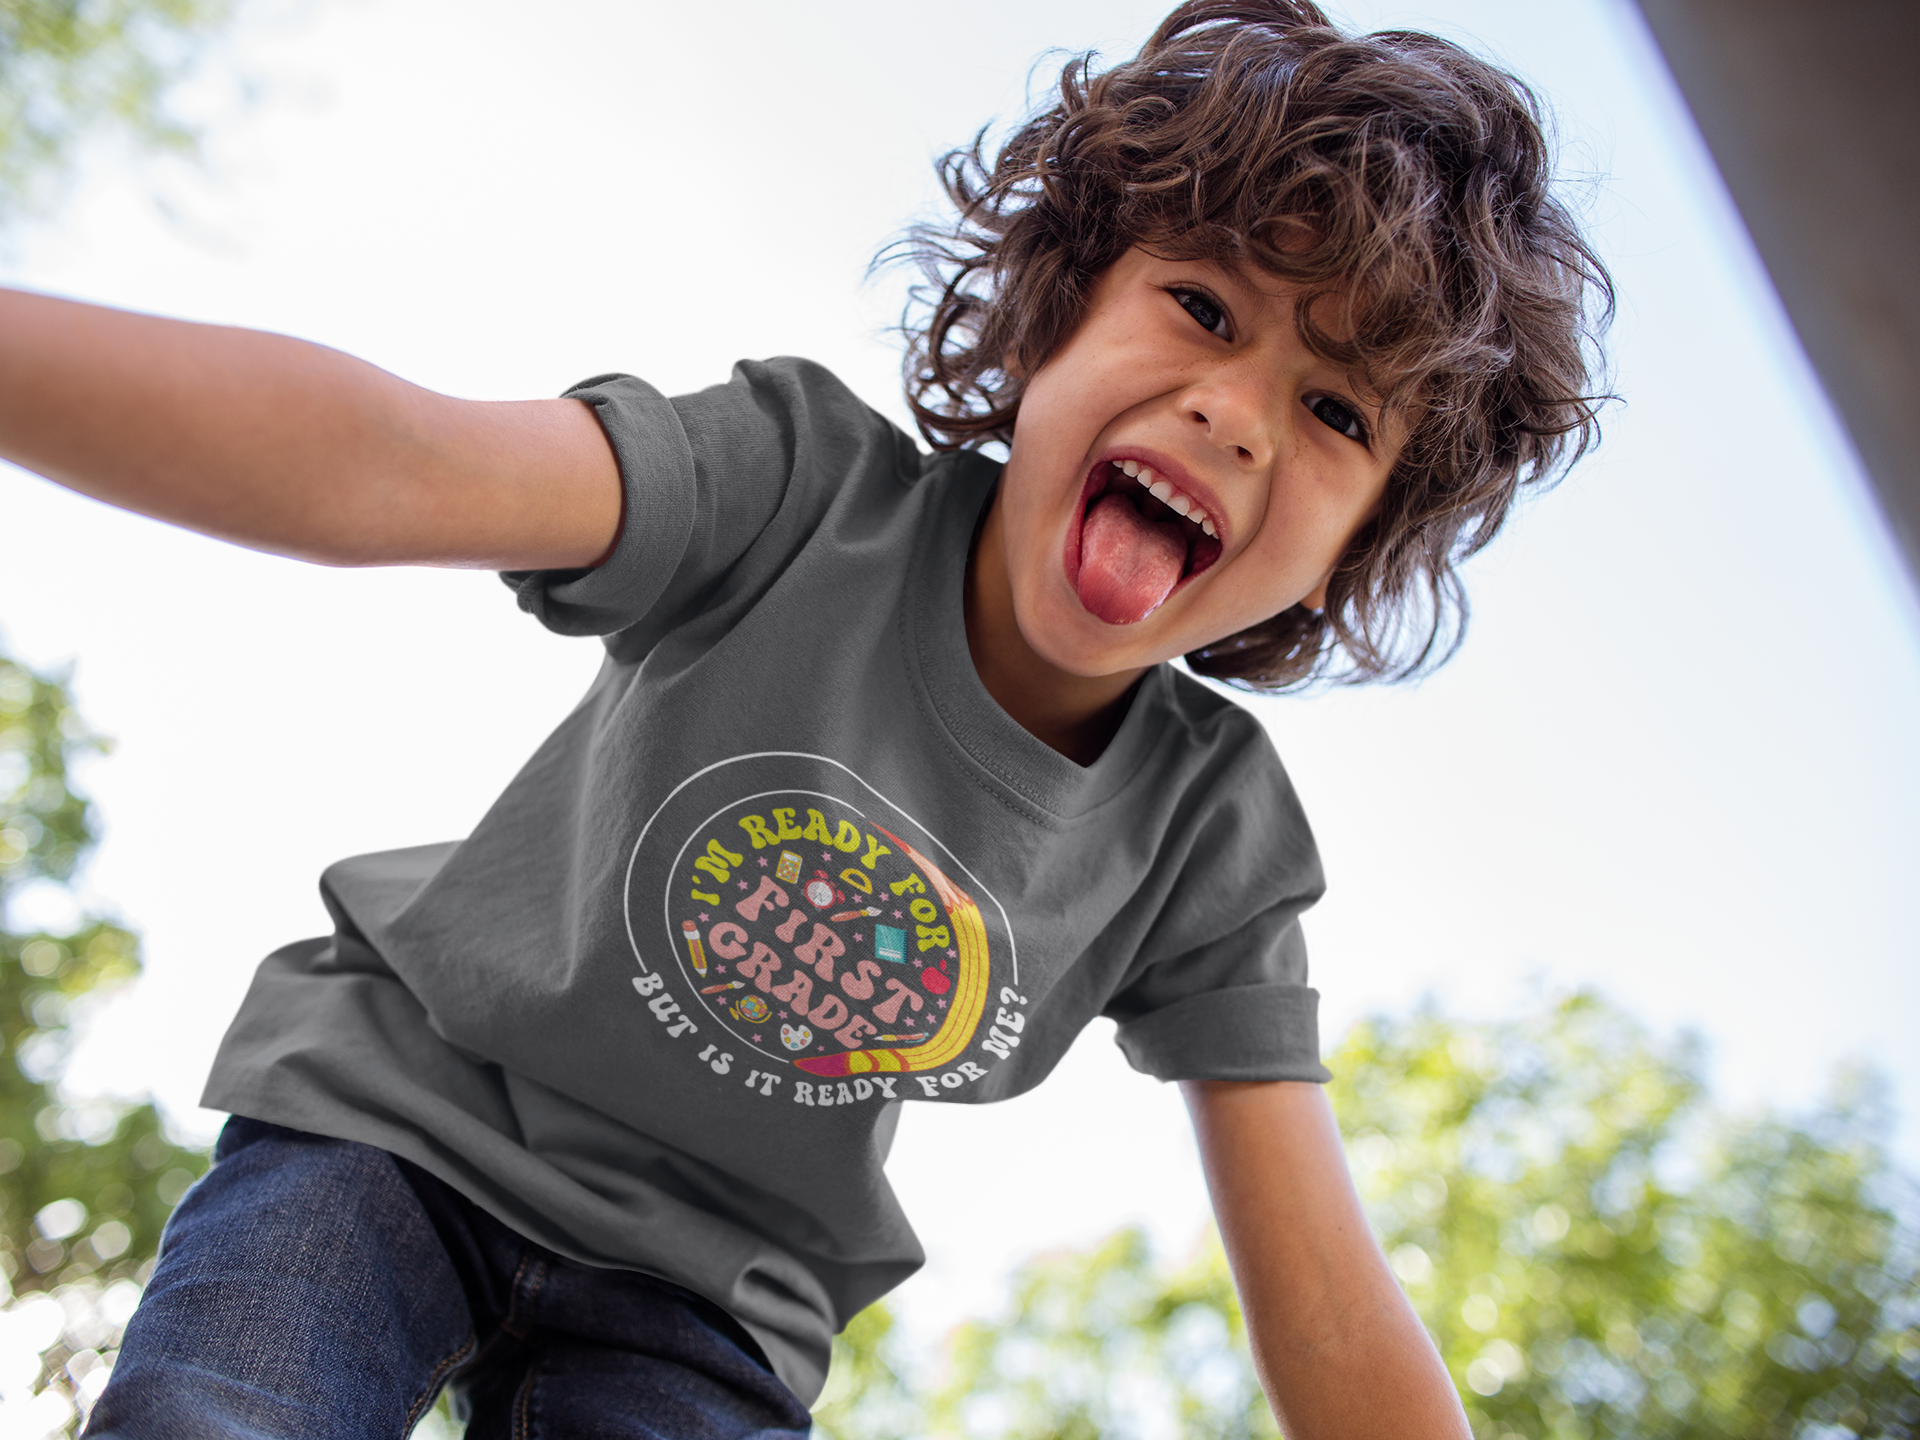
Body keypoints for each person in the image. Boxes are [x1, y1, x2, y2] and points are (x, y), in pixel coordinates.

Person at [0, 1, 1610, 1435]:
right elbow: (389, 464)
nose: (1237, 413)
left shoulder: (1207, 842)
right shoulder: (794, 491)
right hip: (399, 1126)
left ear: (1351, 551)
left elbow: (1323, 1303)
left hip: (708, 1303)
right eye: (1202, 305)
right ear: (1057, 313)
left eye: (1336, 411)